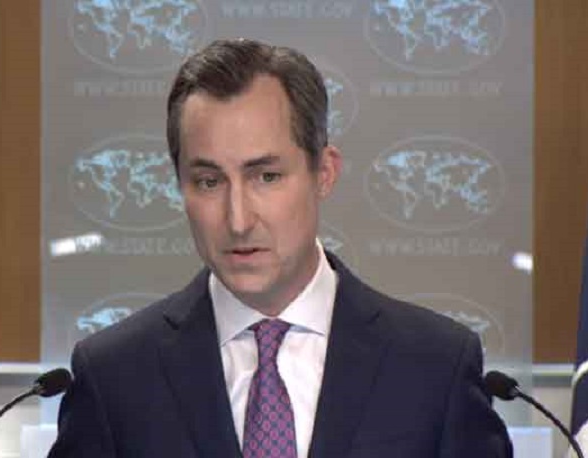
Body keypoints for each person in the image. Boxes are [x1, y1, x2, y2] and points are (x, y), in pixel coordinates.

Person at [48, 38, 513, 457]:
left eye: (266, 177)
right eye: (208, 181)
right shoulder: (114, 376)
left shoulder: (436, 366)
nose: (238, 220)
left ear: (324, 173)